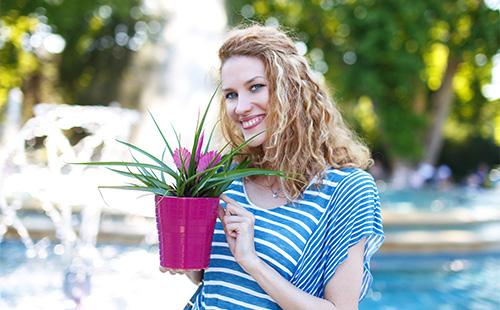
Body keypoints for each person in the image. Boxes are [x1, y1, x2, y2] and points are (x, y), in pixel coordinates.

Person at [161, 24, 384, 309]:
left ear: (291, 91)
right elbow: (212, 279)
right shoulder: (221, 176)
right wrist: (183, 254)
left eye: (255, 87)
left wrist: (253, 262)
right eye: (231, 94)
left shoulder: (346, 190)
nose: (240, 107)